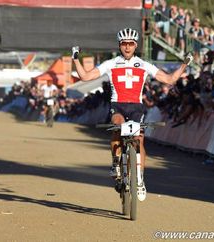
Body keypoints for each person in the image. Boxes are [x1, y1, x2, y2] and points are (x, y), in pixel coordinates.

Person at [72, 28, 193, 201]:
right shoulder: (111, 63)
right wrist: (76, 58)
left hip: (137, 107)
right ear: (119, 45)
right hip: (118, 105)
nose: (127, 47)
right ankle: (116, 162)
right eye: (124, 44)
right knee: (118, 126)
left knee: (139, 140)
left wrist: (184, 64)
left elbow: (169, 79)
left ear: (135, 45)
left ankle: (140, 179)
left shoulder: (144, 64)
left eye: (130, 44)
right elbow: (84, 77)